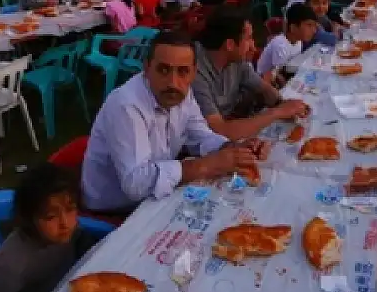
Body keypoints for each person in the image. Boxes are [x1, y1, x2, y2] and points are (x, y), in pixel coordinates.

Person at [80, 32, 264, 215]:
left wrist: (232, 149)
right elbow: (135, 184)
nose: (173, 82)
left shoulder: (182, 93)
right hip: (115, 209)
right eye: (163, 70)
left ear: (194, 72)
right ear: (146, 68)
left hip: (154, 196)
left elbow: (199, 135)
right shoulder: (126, 106)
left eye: (183, 71)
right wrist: (207, 164)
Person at [0, 163, 98, 292]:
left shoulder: (70, 233)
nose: (65, 223)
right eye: (50, 217)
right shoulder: (10, 267)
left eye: (70, 209)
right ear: (29, 219)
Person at [192, 9, 308, 140]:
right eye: (249, 39)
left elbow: (264, 88)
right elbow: (219, 130)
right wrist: (277, 112)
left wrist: (283, 104)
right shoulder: (194, 71)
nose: (253, 46)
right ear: (230, 44)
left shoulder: (237, 61)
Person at [256, 3, 320, 76]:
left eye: (314, 25)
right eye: (309, 25)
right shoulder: (280, 46)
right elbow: (278, 75)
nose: (314, 31)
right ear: (293, 27)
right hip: (264, 81)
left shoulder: (299, 41)